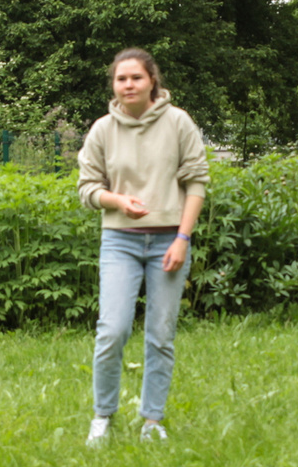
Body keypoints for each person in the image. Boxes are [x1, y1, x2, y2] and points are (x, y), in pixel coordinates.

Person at [77, 48, 210, 445]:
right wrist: (117, 202)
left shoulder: (178, 122)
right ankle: (102, 416)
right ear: (114, 85)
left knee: (160, 335)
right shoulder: (102, 129)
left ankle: (152, 420)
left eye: (136, 77)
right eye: (121, 79)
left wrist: (183, 239)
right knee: (112, 330)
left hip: (170, 240)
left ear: (152, 80)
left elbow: (196, 183)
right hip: (119, 240)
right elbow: (87, 189)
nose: (129, 85)